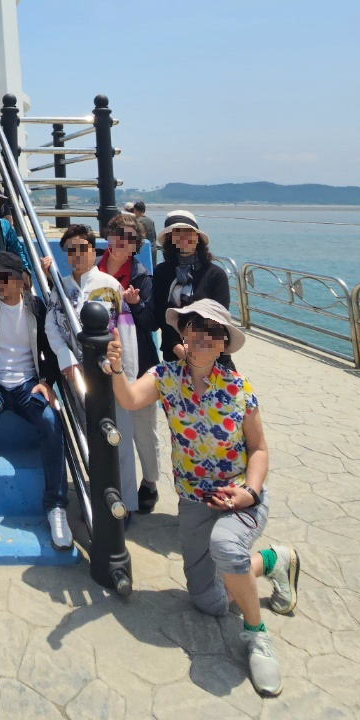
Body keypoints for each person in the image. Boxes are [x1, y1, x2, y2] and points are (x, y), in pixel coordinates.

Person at [105, 299, 301, 698]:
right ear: (183, 333)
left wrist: (249, 492)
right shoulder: (166, 377)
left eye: (213, 331)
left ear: (224, 343)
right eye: (195, 327)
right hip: (194, 502)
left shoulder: (238, 389)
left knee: (225, 546)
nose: (203, 337)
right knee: (209, 601)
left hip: (239, 497)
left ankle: (256, 635)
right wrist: (116, 368)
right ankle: (274, 561)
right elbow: (128, 399)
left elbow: (259, 450)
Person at [0, 251, 71, 549]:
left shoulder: (36, 306)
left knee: (51, 421)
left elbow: (51, 347)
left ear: (21, 280)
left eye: (5, 277)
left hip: (27, 385)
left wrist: (47, 382)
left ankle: (56, 506)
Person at [45, 224, 139, 517]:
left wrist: (126, 375)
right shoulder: (60, 287)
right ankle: (101, 499)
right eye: (70, 250)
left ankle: (125, 504)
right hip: (77, 374)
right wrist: (67, 361)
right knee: (91, 437)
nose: (76, 255)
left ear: (92, 250)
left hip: (110, 372)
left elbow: (125, 333)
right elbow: (52, 327)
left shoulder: (110, 286)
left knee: (120, 439)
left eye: (82, 248)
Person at [98, 212, 164, 516]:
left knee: (143, 427)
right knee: (111, 424)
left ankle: (150, 482)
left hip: (139, 362)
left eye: (130, 239)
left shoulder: (141, 277)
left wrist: (136, 304)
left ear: (137, 245)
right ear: (109, 236)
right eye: (118, 235)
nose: (123, 242)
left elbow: (152, 322)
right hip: (103, 360)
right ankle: (115, 481)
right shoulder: (93, 268)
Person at [153, 211, 231, 361]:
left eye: (188, 233)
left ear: (197, 237)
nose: (183, 238)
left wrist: (197, 349)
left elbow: (219, 316)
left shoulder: (215, 274)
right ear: (170, 239)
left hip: (210, 351)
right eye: (177, 234)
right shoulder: (161, 272)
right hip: (174, 352)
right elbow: (161, 313)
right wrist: (176, 346)